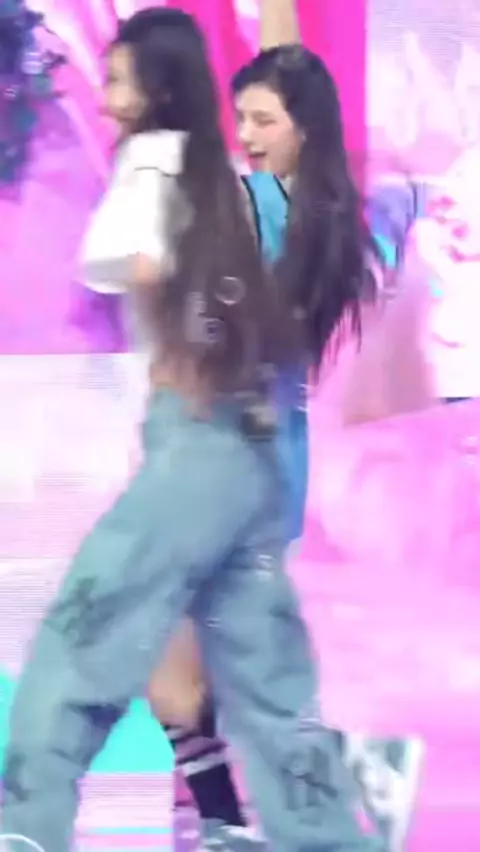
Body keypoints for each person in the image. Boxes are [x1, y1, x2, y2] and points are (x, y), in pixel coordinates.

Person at [0, 8, 383, 852]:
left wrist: (179, 316)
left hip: (199, 447)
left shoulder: (158, 169)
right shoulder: (252, 192)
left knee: (82, 641)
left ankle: (26, 826)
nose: (105, 100)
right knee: (263, 680)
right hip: (246, 457)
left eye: (118, 82)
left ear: (158, 89)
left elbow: (127, 261)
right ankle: (319, 834)